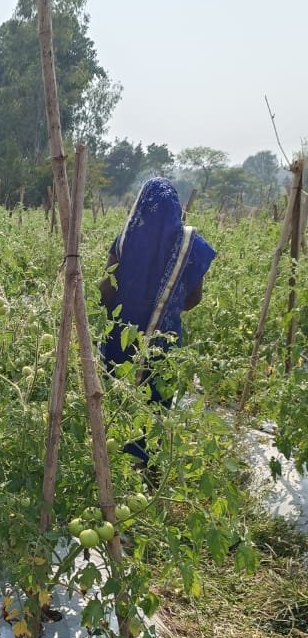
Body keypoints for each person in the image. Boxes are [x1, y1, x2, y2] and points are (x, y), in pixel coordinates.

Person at [99, 176, 216, 459]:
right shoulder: (191, 244)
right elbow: (195, 298)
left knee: (117, 399)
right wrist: (166, 308)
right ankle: (145, 466)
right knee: (155, 403)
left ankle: (113, 462)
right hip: (164, 339)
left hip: (121, 336)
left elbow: (105, 292)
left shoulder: (126, 239)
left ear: (140, 204)